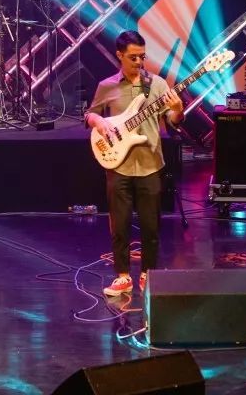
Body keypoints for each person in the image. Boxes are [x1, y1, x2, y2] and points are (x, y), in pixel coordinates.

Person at [85, 30, 183, 297]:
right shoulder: (107, 86)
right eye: (133, 57)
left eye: (142, 56)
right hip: (119, 164)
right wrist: (99, 121)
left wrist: (178, 110)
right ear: (120, 55)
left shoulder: (158, 85)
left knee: (151, 226)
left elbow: (173, 121)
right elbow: (90, 114)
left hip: (150, 163)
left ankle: (148, 274)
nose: (139, 62)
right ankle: (123, 276)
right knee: (120, 224)